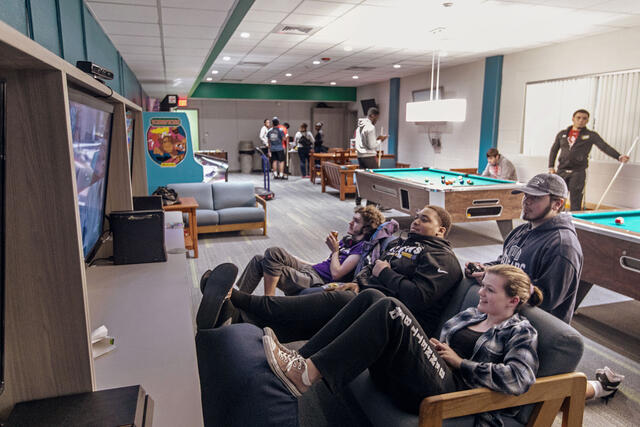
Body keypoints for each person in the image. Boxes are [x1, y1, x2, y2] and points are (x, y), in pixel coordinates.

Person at [263, 264, 541, 426]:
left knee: (391, 309)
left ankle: (304, 375)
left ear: (513, 301)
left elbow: (520, 379)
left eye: (490, 290)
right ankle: (300, 358)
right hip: (429, 375)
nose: (480, 292)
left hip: (452, 394)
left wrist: (460, 363)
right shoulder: (474, 314)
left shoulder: (520, 331)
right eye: (484, 286)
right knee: (372, 296)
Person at [196, 205, 463, 343]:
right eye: (416, 216)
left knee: (309, 296)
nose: (416, 220)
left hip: (383, 310)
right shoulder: (399, 245)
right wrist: (359, 282)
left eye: (425, 219)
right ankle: (235, 313)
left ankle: (236, 298)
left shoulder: (441, 257)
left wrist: (382, 272)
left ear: (441, 231)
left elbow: (415, 296)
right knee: (299, 306)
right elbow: (371, 269)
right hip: (357, 290)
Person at [465, 173, 582, 324]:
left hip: (531, 328)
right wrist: (486, 269)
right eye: (526, 195)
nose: (527, 201)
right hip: (504, 316)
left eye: (536, 198)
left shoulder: (562, 246)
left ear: (557, 204)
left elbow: (547, 300)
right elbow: (506, 264)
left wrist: (499, 285)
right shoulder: (521, 231)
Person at [233, 205, 385, 297]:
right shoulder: (347, 241)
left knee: (271, 253)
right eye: (352, 219)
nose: (350, 223)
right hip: (311, 270)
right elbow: (321, 264)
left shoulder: (359, 249)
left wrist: (335, 251)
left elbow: (336, 273)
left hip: (317, 281)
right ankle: (238, 300)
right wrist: (291, 258)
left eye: (356, 221)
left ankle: (268, 302)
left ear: (366, 228)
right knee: (262, 257)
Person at [548, 109, 630, 211]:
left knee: (576, 200)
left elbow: (604, 147)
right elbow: (554, 150)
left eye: (584, 118)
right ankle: (554, 219)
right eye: (578, 118)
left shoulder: (591, 135)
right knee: (557, 197)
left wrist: (619, 156)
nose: (581, 120)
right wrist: (551, 167)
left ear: (587, 121)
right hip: (561, 170)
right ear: (573, 119)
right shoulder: (562, 134)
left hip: (578, 172)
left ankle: (574, 222)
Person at [355, 107, 387, 205]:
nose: (377, 120)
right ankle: (371, 205)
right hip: (369, 157)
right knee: (374, 180)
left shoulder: (359, 127)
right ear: (373, 115)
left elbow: (365, 143)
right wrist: (381, 139)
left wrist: (377, 139)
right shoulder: (370, 127)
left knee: (362, 180)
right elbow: (371, 145)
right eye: (377, 118)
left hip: (361, 156)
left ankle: (358, 201)